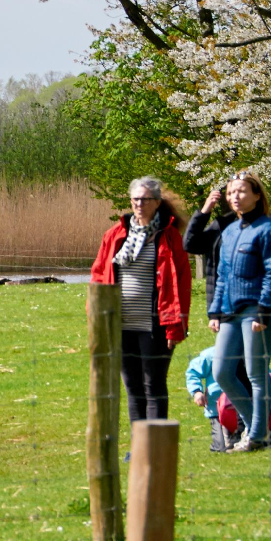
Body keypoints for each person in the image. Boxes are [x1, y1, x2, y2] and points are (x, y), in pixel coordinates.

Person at [197, 173, 271, 453]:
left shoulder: (270, 229)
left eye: (242, 191)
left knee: (255, 374)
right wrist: (215, 311)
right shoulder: (230, 231)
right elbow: (222, 275)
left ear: (258, 195)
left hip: (256, 311)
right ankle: (257, 429)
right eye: (230, 192)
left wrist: (264, 309)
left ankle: (257, 436)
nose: (235, 197)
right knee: (222, 371)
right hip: (229, 312)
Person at [90, 176, 191, 422]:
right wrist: (99, 322)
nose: (139, 204)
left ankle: (154, 448)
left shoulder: (169, 237)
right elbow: (99, 277)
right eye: (135, 199)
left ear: (157, 202)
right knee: (133, 388)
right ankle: (138, 449)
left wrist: (177, 326)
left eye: (145, 199)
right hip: (121, 325)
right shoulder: (115, 235)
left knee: (153, 386)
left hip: (155, 324)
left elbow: (182, 284)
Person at [182, 346, 271, 449]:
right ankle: (231, 439)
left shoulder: (251, 356)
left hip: (248, 410)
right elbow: (193, 372)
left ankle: (262, 435)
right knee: (221, 448)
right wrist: (197, 391)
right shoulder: (211, 355)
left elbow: (266, 377)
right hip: (217, 413)